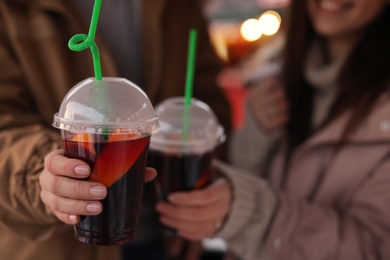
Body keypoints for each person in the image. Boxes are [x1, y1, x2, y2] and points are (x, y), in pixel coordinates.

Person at [153, 0, 390, 259]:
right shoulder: (280, 82)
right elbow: (245, 177)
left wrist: (251, 213)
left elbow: (375, 248)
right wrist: (254, 136)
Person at [0, 0, 231, 259]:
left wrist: (199, 198)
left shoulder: (179, 6)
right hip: (52, 248)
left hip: (166, 238)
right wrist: (43, 174)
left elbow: (208, 105)